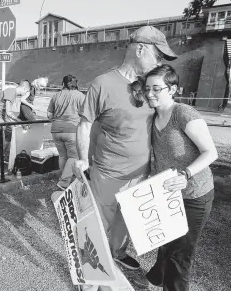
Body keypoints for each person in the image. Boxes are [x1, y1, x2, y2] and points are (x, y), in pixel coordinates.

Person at [72, 25, 178, 289]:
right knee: (94, 232)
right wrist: (82, 159)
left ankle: (114, 262)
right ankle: (90, 281)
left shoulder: (149, 88)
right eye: (158, 55)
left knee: (124, 229)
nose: (160, 62)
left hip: (141, 175)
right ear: (140, 49)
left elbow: (168, 115)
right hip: (107, 175)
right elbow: (85, 125)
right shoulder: (102, 83)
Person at [144, 64, 218, 291]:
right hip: (169, 193)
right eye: (147, 88)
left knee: (181, 254)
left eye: (157, 88)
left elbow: (211, 152)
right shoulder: (151, 117)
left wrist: (186, 174)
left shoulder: (183, 114)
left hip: (195, 194)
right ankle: (156, 278)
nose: (149, 94)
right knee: (165, 241)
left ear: (173, 89)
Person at [47, 74, 85, 190]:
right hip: (72, 129)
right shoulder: (80, 96)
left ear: (63, 84)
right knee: (74, 156)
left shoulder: (56, 95)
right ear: (76, 84)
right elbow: (85, 114)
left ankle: (63, 177)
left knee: (63, 156)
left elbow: (49, 115)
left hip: (56, 129)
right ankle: (64, 182)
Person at [0, 80, 30, 175]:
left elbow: (7, 113)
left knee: (8, 135)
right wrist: (22, 123)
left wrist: (13, 123)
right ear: (24, 88)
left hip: (2, 116)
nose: (25, 95)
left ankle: (1, 157)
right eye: (26, 92)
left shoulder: (12, 93)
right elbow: (9, 112)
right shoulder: (11, 92)